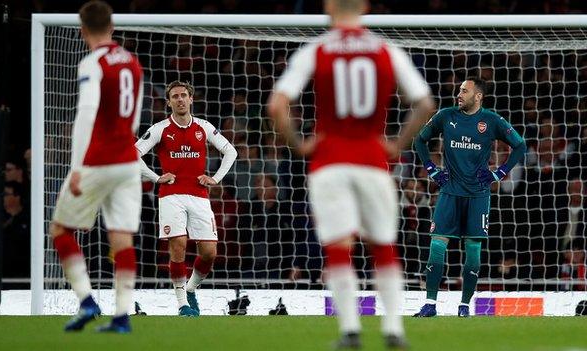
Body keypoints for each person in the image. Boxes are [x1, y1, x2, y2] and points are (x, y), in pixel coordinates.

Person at [268, 0, 436, 348]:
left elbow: (276, 105)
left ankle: (350, 331)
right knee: (383, 246)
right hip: (373, 160)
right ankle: (393, 330)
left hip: (329, 162)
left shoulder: (317, 49)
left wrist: (299, 145)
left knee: (338, 247)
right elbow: (424, 103)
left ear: (329, 5)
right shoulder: (386, 49)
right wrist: (396, 144)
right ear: (364, 6)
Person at [50, 0, 143, 333]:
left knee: (60, 230)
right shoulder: (132, 62)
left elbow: (86, 114)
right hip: (128, 161)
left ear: (82, 30)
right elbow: (133, 117)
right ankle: (121, 317)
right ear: (113, 27)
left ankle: (87, 300)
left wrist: (76, 167)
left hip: (98, 161)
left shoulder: (92, 62)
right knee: (121, 239)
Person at [413, 77, 526, 317]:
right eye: (459, 90)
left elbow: (520, 145)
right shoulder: (446, 116)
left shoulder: (492, 121)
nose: (459, 94)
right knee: (436, 245)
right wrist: (433, 170)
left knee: (473, 250)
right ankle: (430, 304)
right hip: (449, 191)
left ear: (478, 96)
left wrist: (500, 174)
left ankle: (464, 307)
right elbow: (419, 140)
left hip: (478, 194)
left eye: (465, 91)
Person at [136, 80, 237, 316]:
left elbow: (231, 151)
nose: (180, 99)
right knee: (178, 246)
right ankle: (182, 304)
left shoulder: (204, 127)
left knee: (210, 252)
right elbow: (134, 152)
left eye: (183, 95)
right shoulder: (160, 128)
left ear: (191, 99)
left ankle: (191, 289)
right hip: (171, 195)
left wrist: (216, 178)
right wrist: (155, 177)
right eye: (175, 96)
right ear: (169, 101)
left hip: (200, 195)